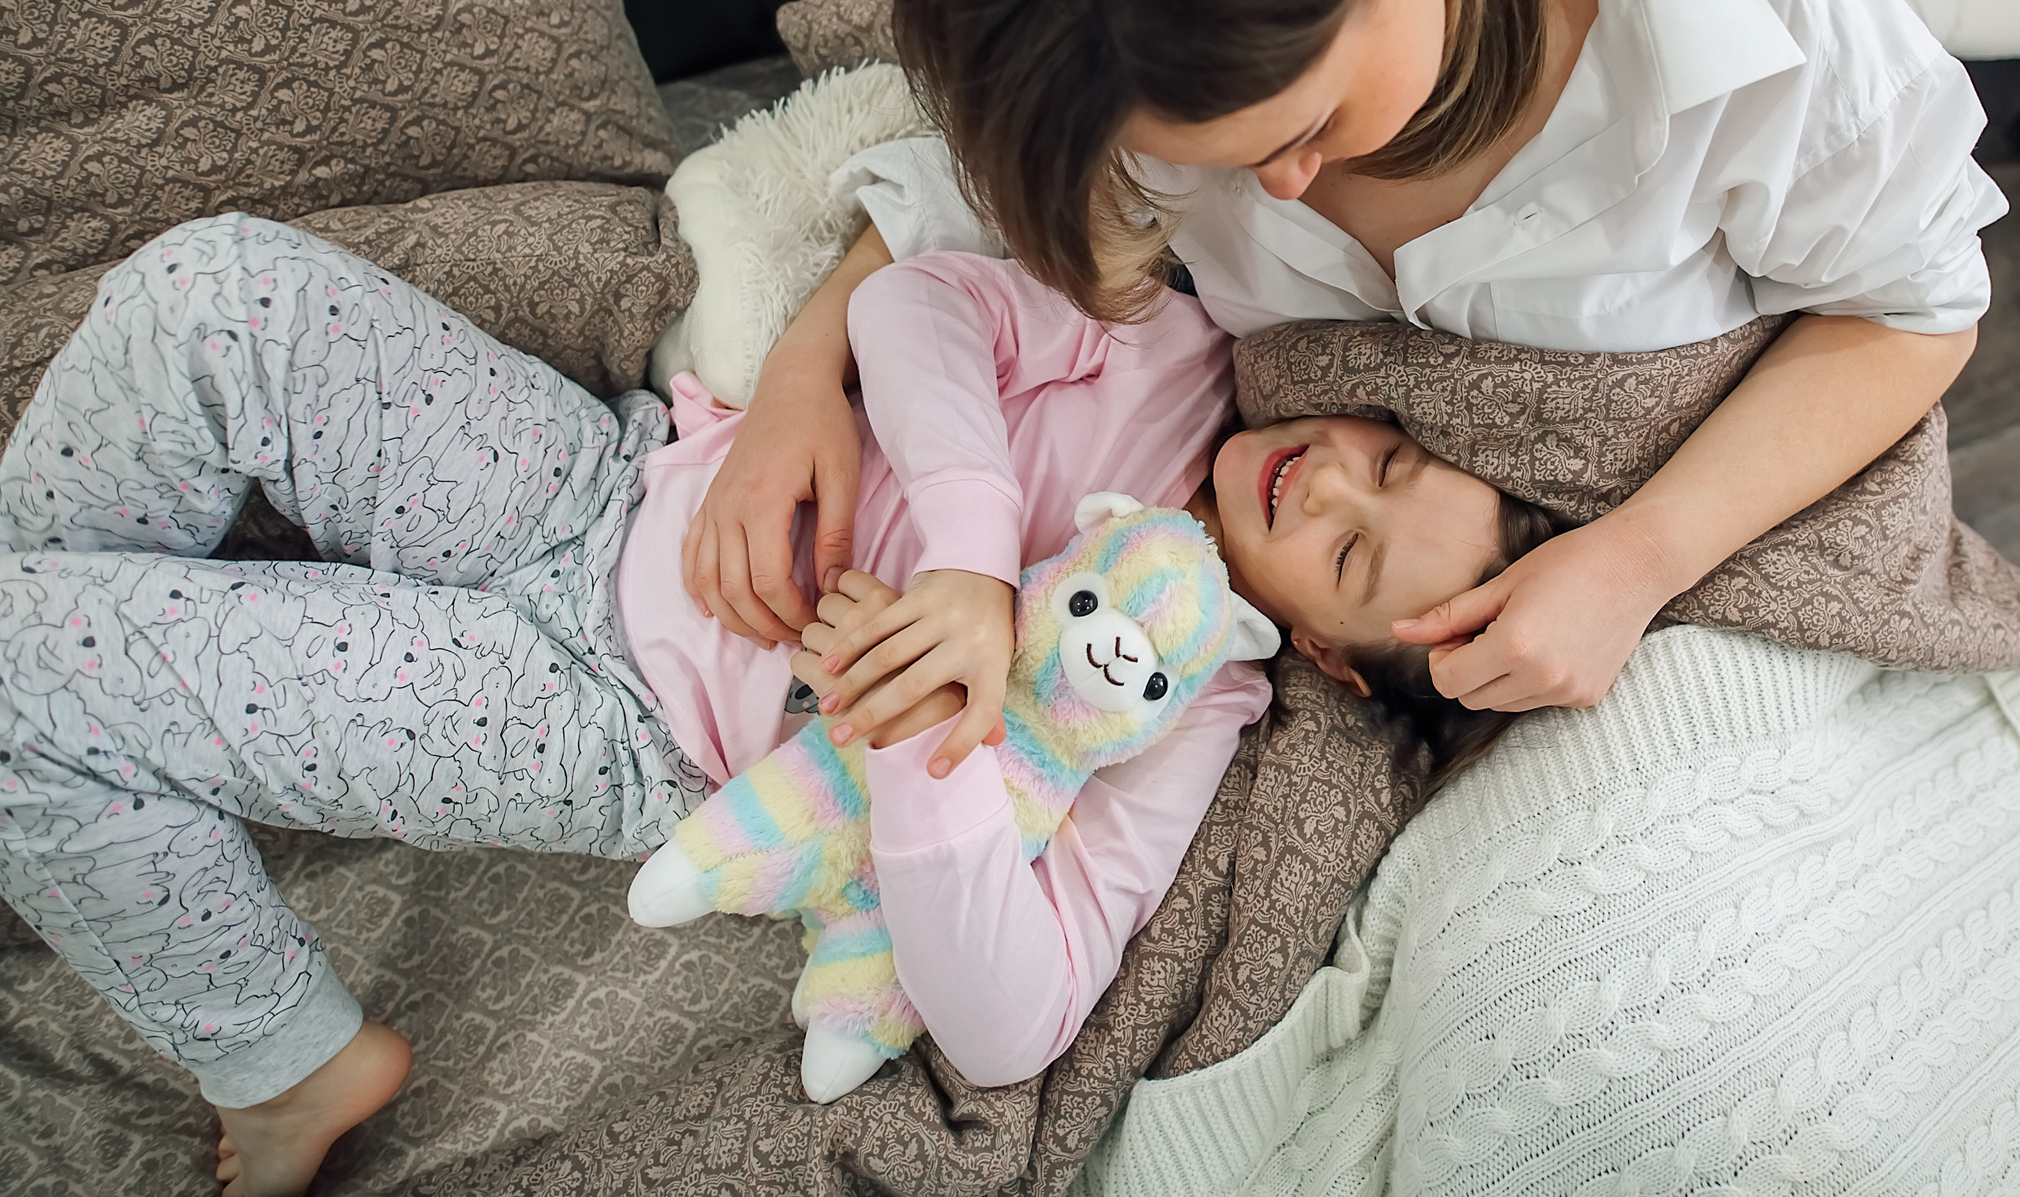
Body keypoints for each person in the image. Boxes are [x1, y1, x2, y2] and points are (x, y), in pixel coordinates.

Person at [0, 217, 1549, 1196]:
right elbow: (924, 308)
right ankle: (54, 802)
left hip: (612, 711)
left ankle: (282, 1057)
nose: (1331, 477)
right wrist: (967, 559)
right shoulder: (1176, 345)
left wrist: (917, 741)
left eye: (1349, 551)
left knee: (21, 676)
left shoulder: (1184, 705)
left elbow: (1015, 1024)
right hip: (600, 478)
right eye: (1392, 459)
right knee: (210, 295)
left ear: (1335, 661)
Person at [684, 0, 2001, 742]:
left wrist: (1640, 556)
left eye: (1306, 126)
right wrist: (804, 373)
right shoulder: (1107, 22)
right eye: (1214, 162)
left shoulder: (1778, 41)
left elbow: (1915, 313)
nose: (1283, 189)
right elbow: (996, 190)